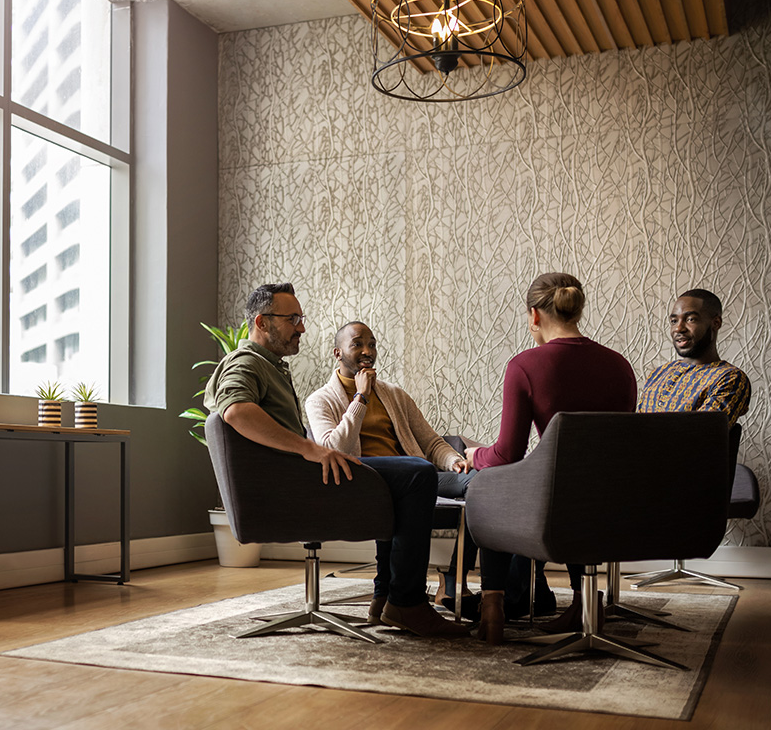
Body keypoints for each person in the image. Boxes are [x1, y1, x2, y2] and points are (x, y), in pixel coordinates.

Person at [204, 283, 468, 637]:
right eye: (292, 318)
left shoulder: (272, 367)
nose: (301, 327)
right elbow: (235, 411)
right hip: (295, 486)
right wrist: (311, 448)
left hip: (298, 480)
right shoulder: (248, 361)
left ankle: (395, 597)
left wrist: (453, 458)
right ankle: (405, 602)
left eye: (302, 318)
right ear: (262, 323)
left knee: (417, 474)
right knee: (417, 474)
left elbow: (430, 439)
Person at [464, 273, 637, 643]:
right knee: (582, 479)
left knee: (491, 484)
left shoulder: (525, 365)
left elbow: (507, 454)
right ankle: (583, 602)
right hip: (614, 503)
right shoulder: (620, 365)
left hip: (554, 508)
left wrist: (474, 454)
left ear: (534, 316)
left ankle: (492, 605)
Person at [304, 321, 477, 608]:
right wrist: (360, 397)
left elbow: (430, 442)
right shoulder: (320, 400)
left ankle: (452, 580)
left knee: (482, 484)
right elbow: (334, 449)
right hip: (361, 480)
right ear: (338, 353)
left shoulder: (394, 394)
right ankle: (390, 595)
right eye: (357, 343)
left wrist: (454, 461)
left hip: (416, 475)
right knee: (402, 492)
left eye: (371, 344)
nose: (367, 350)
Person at [638, 289, 750, 426]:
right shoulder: (658, 373)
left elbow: (700, 436)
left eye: (690, 319)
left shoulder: (729, 378)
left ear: (716, 323)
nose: (678, 328)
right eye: (674, 321)